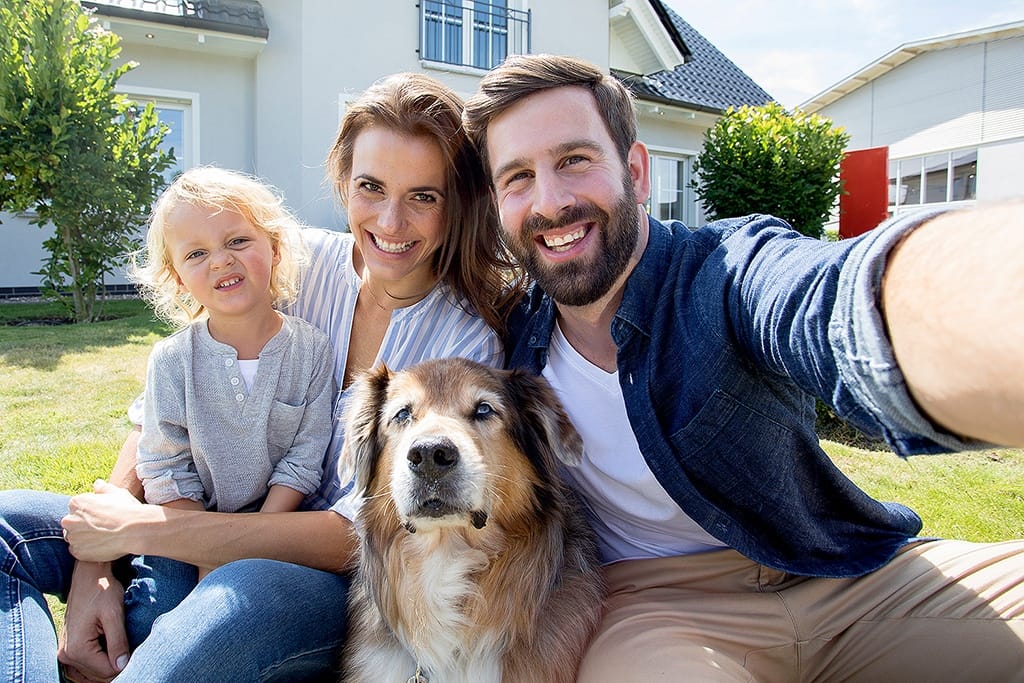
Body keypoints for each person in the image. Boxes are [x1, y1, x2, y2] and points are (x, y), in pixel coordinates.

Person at [461, 53, 1024, 681]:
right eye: (518, 177)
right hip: (656, 610)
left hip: (842, 577)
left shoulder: (726, 271)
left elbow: (829, 303)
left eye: (574, 160)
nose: (551, 201)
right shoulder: (507, 337)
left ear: (636, 171)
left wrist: (990, 306)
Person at [0, 72, 522, 682]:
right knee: (8, 523)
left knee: (235, 596)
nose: (390, 219)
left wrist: (149, 532)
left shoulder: (461, 342)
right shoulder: (292, 262)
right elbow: (167, 407)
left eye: (423, 197)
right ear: (343, 183)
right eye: (370, 187)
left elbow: (351, 533)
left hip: (320, 581)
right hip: (196, 515)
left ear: (456, 202)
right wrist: (100, 557)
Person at [122, 166, 335, 649]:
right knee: (151, 622)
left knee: (224, 625)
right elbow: (163, 463)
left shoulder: (312, 351)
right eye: (197, 253)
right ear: (177, 279)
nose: (220, 261)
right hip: (182, 526)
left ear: (275, 249)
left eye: (237, 240)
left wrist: (248, 538)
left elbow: (304, 457)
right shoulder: (172, 360)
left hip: (274, 529)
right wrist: (205, 550)